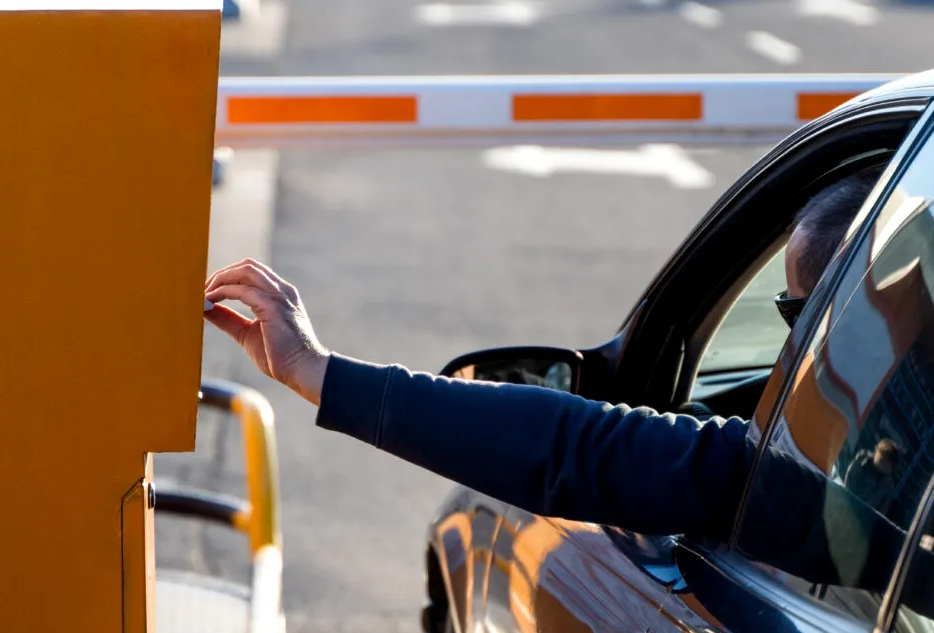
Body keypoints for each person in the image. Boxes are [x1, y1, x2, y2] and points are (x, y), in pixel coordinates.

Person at [201, 174, 876, 541]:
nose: (796, 344)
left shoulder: (840, 485)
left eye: (801, 314)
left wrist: (318, 373)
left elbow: (571, 449)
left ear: (875, 314)